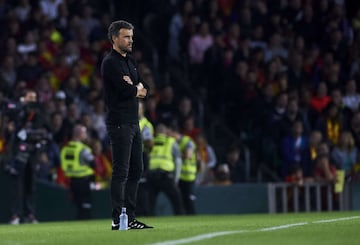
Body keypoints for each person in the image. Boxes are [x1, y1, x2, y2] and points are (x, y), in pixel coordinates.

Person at [101, 20, 152, 230]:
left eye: (131, 36)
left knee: (136, 169)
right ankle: (117, 219)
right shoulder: (110, 62)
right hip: (120, 123)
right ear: (115, 38)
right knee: (121, 171)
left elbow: (145, 87)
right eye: (126, 37)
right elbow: (125, 90)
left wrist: (136, 88)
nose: (131, 40)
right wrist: (134, 89)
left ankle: (129, 217)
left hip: (133, 122)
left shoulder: (130, 61)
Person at [6, 89, 49, 224]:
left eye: (35, 97)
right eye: (30, 97)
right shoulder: (17, 109)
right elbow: (10, 115)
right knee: (17, 185)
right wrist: (22, 105)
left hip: (32, 151)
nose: (33, 100)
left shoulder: (37, 112)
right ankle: (15, 215)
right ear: (24, 97)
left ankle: (29, 214)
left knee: (30, 184)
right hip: (18, 151)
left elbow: (41, 129)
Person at [147, 124, 184, 215]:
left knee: (150, 203)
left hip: (152, 176)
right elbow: (178, 161)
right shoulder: (171, 142)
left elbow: (147, 158)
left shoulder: (152, 142)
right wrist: (176, 178)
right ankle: (181, 218)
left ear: (156, 132)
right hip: (166, 176)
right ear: (166, 132)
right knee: (177, 200)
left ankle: (148, 221)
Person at [60, 124, 95, 220]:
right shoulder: (83, 149)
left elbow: (63, 164)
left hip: (71, 181)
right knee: (85, 205)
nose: (86, 135)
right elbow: (93, 163)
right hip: (84, 180)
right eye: (85, 133)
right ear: (80, 134)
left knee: (77, 205)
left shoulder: (65, 149)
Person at [168, 123, 197, 215]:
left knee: (188, 199)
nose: (168, 136)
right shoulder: (173, 143)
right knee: (180, 200)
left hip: (188, 176)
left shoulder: (187, 141)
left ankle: (192, 217)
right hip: (179, 176)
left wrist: (177, 155)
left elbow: (188, 155)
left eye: (169, 133)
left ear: (174, 132)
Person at [136, 100, 154, 216]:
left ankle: (144, 212)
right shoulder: (131, 122)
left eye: (138, 107)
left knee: (141, 185)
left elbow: (149, 143)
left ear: (142, 110)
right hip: (133, 156)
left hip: (141, 156)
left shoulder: (145, 125)